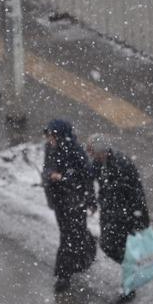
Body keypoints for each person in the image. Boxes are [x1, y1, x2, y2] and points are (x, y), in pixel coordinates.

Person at [86, 134, 150, 304]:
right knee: (108, 245)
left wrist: (139, 218)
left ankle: (129, 287)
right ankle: (131, 269)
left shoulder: (122, 164)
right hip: (110, 212)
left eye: (93, 152)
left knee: (114, 245)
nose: (91, 156)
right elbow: (88, 177)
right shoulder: (99, 163)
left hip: (124, 214)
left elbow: (136, 193)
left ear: (102, 150)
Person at [42, 119, 97, 293]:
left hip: (74, 200)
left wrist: (64, 177)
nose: (49, 139)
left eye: (52, 135)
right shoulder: (50, 148)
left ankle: (63, 275)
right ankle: (81, 258)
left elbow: (86, 176)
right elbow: (47, 169)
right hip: (59, 200)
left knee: (69, 236)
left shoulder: (76, 152)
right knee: (70, 233)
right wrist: (51, 175)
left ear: (59, 135)